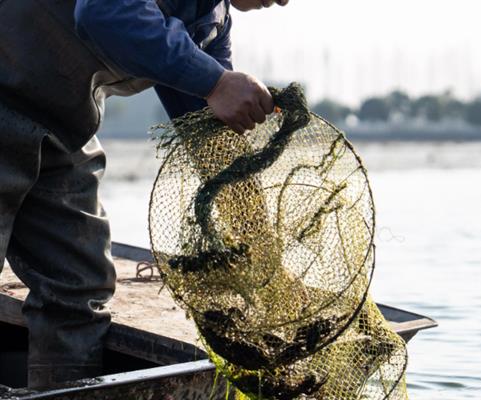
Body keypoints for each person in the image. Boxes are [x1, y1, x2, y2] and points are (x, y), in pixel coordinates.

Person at [0, 0, 289, 389]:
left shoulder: (211, 25)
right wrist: (216, 83)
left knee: (79, 286)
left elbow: (214, 149)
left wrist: (259, 240)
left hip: (60, 126)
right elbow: (105, 11)